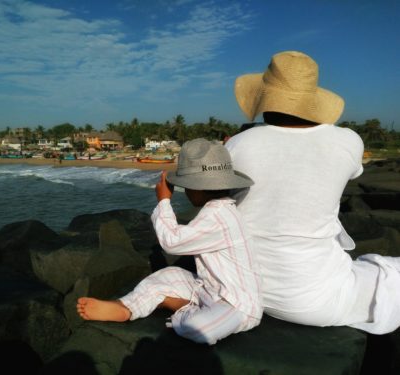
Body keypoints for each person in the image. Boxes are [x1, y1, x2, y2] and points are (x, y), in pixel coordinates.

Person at [225, 50, 400, 334]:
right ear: (313, 102)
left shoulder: (236, 144)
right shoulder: (347, 142)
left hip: (241, 289)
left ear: (264, 99)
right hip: (313, 302)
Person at [77, 138, 263, 345]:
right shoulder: (222, 208)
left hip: (237, 305)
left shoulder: (218, 217)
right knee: (166, 276)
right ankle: (125, 307)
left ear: (197, 189)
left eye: (187, 187)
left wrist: (164, 201)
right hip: (210, 289)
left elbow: (172, 242)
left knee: (198, 331)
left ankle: (178, 305)